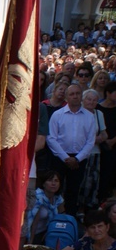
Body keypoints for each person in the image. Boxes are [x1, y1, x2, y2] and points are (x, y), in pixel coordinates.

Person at [47, 84, 97, 215]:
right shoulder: (57, 115)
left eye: (77, 93)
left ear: (81, 96)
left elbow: (90, 141)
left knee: (73, 189)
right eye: (71, 94)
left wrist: (77, 158)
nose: (75, 96)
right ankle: (53, 216)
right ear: (66, 97)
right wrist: (66, 158)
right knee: (55, 188)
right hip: (60, 157)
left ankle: (70, 219)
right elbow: (51, 138)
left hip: (79, 159)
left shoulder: (89, 117)